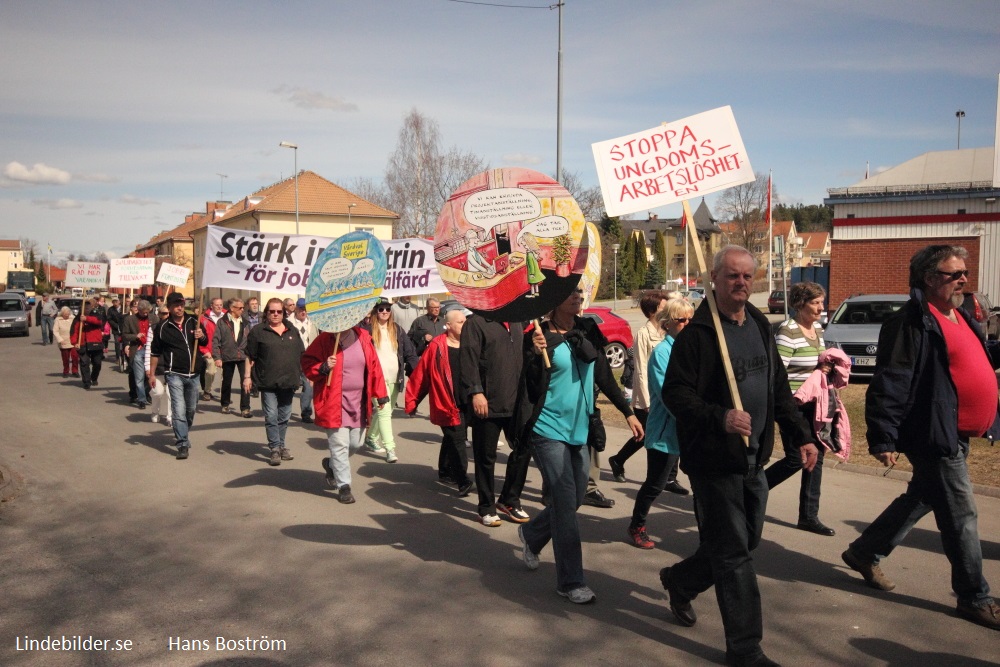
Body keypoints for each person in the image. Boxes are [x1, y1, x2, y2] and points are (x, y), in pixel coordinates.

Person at [660, 246, 818, 667]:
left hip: (754, 459)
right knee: (734, 555)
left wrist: (800, 435)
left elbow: (778, 389)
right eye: (733, 276)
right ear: (715, 279)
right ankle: (745, 649)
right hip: (713, 461)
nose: (742, 284)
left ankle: (679, 580)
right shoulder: (699, 334)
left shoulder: (761, 326)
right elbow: (674, 393)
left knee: (742, 542)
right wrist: (720, 417)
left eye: (748, 276)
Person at [842, 245, 1000, 631]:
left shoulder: (959, 314)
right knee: (962, 516)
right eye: (954, 273)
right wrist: (883, 437)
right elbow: (891, 381)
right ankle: (973, 597)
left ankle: (864, 551)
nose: (964, 279)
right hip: (933, 433)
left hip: (957, 431)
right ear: (929, 279)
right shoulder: (910, 322)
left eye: (964, 272)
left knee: (923, 497)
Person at [516, 289, 643, 604]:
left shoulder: (587, 329)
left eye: (579, 292)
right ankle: (571, 582)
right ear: (553, 300)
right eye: (570, 293)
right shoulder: (539, 335)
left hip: (580, 429)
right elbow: (529, 385)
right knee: (564, 503)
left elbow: (603, 375)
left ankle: (532, 535)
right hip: (547, 428)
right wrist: (533, 354)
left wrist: (627, 412)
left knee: (572, 499)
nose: (577, 297)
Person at [764, 281, 836, 536]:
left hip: (814, 404)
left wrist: (826, 368)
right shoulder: (788, 331)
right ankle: (753, 493)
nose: (820, 308)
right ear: (799, 304)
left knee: (817, 457)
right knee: (796, 458)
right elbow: (777, 372)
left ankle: (808, 516)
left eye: (821, 302)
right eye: (815, 303)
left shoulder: (817, 328)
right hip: (792, 405)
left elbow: (818, 361)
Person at [626, 298, 693, 549]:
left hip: (690, 431)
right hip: (666, 432)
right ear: (668, 323)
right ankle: (637, 525)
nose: (687, 324)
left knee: (702, 480)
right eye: (681, 320)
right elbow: (669, 395)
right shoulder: (662, 353)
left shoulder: (691, 349)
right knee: (655, 484)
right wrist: (694, 417)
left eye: (690, 319)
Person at [609, 291, 688, 496]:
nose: (666, 308)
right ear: (653, 311)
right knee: (646, 434)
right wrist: (646, 400)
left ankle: (669, 477)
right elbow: (641, 369)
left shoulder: (667, 331)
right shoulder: (644, 333)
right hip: (649, 395)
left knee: (662, 432)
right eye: (662, 306)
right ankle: (618, 460)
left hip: (664, 394)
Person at [302, 323, 389, 503]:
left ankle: (332, 465)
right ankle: (344, 486)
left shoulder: (364, 338)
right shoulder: (325, 339)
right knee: (339, 444)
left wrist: (380, 394)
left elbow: (374, 367)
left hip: (359, 401)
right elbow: (307, 363)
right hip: (334, 401)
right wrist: (324, 366)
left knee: (355, 444)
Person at [460, 313, 530, 526]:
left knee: (525, 448)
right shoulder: (476, 322)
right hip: (488, 401)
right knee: (485, 457)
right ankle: (486, 507)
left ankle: (509, 499)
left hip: (517, 400)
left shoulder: (518, 320)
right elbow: (468, 360)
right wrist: (475, 391)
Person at [405, 308, 473, 495]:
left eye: (465, 321)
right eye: (460, 322)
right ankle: (463, 480)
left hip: (467, 400)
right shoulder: (437, 346)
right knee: (458, 439)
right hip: (446, 402)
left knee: (452, 436)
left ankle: (444, 471)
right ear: (448, 325)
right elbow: (422, 376)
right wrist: (413, 401)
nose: (464, 324)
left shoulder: (471, 343)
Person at [245, 298, 305, 466]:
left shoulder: (292, 330)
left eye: (279, 311)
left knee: (284, 416)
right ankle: (275, 449)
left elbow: (301, 354)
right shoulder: (258, 331)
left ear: (284, 313)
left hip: (289, 381)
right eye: (272, 311)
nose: (276, 314)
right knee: (271, 415)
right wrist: (247, 377)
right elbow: (250, 355)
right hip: (267, 382)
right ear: (267, 312)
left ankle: (281, 445)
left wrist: (308, 374)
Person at [148, 292, 205, 460]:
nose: (179, 308)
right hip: (174, 373)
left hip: (194, 373)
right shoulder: (163, 327)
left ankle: (183, 432)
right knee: (178, 409)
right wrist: (151, 374)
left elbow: (203, 341)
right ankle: (182, 443)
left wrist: (201, 336)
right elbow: (155, 352)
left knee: (191, 409)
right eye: (176, 305)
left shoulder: (193, 321)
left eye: (181, 304)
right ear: (170, 307)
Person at [361, 299, 418, 461]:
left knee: (385, 412)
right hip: (376, 380)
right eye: (380, 309)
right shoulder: (367, 330)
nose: (384, 312)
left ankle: (371, 438)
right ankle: (390, 449)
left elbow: (410, 353)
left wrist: (418, 372)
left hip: (395, 379)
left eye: (387, 309)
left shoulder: (397, 330)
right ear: (375, 312)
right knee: (384, 412)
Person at [212, 297, 252, 418]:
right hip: (227, 355)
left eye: (243, 308)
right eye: (240, 308)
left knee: (246, 382)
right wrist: (217, 357)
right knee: (226, 382)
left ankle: (245, 408)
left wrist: (251, 356)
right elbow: (215, 341)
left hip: (243, 356)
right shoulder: (222, 322)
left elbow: (250, 340)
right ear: (232, 308)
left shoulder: (245, 322)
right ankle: (225, 404)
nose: (242, 310)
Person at [290, 298, 319, 423]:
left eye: (306, 309)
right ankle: (283, 409)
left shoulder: (313, 323)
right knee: (290, 386)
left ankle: (306, 412)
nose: (303, 312)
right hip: (293, 358)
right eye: (301, 309)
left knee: (308, 387)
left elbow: (317, 340)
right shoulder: (289, 323)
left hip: (308, 359)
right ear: (296, 309)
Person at [121, 299, 153, 408]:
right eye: (143, 312)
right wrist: (135, 336)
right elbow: (124, 335)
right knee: (138, 377)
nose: (145, 314)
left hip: (150, 350)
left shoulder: (154, 318)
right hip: (138, 350)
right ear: (138, 310)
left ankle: (145, 393)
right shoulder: (129, 319)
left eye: (147, 312)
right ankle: (142, 400)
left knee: (149, 376)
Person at [71, 298, 106, 390]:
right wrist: (74, 343)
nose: (86, 309)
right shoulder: (77, 318)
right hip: (82, 343)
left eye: (87, 307)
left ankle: (94, 377)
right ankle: (86, 381)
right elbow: (73, 331)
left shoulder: (96, 314)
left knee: (97, 363)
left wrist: (87, 319)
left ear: (90, 307)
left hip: (95, 343)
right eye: (84, 307)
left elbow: (99, 322)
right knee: (84, 363)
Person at [148, 306, 172, 426]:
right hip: (157, 366)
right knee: (157, 392)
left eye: (168, 313)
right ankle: (154, 411)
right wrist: (148, 368)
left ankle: (170, 417)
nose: (166, 316)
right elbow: (149, 349)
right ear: (159, 314)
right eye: (164, 313)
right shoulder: (153, 328)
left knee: (170, 393)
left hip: (171, 367)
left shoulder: (175, 328)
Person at [199, 297, 225, 401]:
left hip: (224, 350)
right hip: (209, 350)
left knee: (226, 374)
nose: (219, 307)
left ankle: (225, 395)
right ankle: (207, 390)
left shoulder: (227, 317)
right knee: (210, 371)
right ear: (211, 306)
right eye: (217, 305)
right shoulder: (204, 318)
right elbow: (200, 336)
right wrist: (204, 350)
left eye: (221, 305)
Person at [53, 306, 79, 378]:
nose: (67, 315)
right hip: (63, 341)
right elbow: (55, 331)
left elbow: (77, 328)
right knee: (65, 358)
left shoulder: (73, 318)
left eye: (68, 314)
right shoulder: (58, 320)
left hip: (73, 341)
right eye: (65, 314)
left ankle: (75, 371)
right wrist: (60, 340)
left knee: (75, 357)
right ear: (62, 314)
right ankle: (66, 371)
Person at [106, 297, 125, 371]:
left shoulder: (123, 308)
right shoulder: (111, 310)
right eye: (113, 302)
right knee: (117, 342)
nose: (115, 303)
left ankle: (124, 356)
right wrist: (116, 325)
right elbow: (109, 319)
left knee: (124, 342)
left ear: (119, 301)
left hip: (124, 328)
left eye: (116, 301)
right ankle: (118, 357)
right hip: (116, 329)